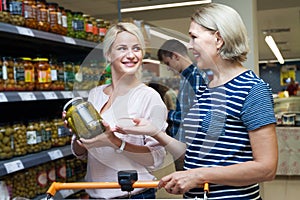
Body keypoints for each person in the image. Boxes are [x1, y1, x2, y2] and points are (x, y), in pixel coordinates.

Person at [116, 3, 278, 199]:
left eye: (194, 37)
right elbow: (194, 152)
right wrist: (155, 132)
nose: (190, 46)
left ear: (218, 39)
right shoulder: (205, 87)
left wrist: (199, 176)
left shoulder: (252, 89)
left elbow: (267, 168)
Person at [68, 22, 168, 199]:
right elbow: (82, 153)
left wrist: (114, 142)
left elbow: (156, 159)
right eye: (122, 48)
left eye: (136, 49)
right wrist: (79, 135)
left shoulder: (149, 97)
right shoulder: (95, 94)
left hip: (133, 195)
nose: (131, 55)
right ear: (108, 54)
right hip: (96, 194)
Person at [157, 39, 208, 171]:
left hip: (190, 149)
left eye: (168, 63)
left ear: (175, 56)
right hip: (182, 146)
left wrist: (169, 114)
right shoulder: (186, 78)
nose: (168, 68)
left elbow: (196, 117)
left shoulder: (195, 77)